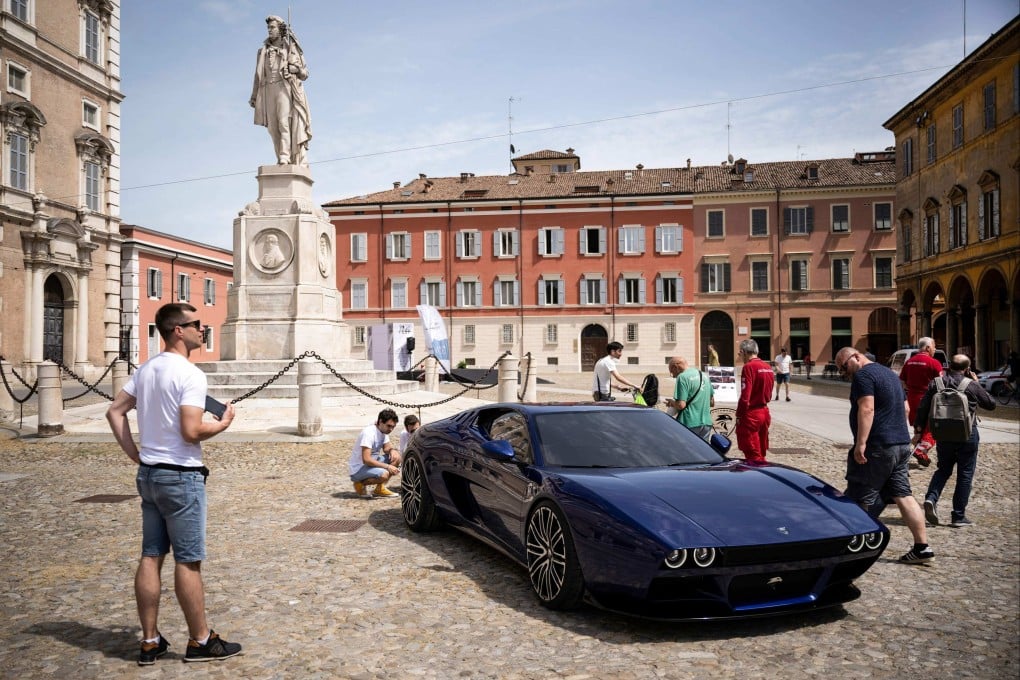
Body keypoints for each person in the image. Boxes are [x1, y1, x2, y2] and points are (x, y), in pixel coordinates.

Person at [106, 303, 243, 665]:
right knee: (188, 560)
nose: (203, 329)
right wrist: (224, 422)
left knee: (151, 555)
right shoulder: (190, 374)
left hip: (149, 475)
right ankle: (200, 640)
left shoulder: (147, 369)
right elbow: (191, 430)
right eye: (196, 324)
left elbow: (114, 411)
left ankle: (150, 640)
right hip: (180, 476)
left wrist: (136, 455)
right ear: (178, 331)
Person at [834, 347, 933, 564]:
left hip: (878, 446)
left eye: (844, 366)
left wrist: (861, 443)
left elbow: (867, 408)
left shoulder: (863, 375)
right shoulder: (890, 374)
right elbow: (906, 409)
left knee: (861, 496)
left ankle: (853, 549)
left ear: (856, 356)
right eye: (841, 370)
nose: (845, 372)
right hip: (900, 444)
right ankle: (922, 547)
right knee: (903, 495)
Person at [915, 355, 995, 528]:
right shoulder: (971, 385)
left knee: (943, 470)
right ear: (967, 368)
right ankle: (958, 516)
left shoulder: (936, 383)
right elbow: (991, 404)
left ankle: (931, 499)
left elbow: (923, 407)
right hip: (967, 434)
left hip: (943, 434)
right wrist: (976, 383)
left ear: (949, 365)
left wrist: (919, 429)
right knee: (965, 474)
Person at [250, 15, 312, 166]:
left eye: (272, 27)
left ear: (280, 29)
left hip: (284, 88)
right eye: (268, 28)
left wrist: (294, 68)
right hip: (267, 90)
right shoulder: (262, 51)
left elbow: (304, 73)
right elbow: (257, 76)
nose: (269, 30)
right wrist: (254, 95)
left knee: (284, 122)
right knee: (272, 127)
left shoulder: (290, 48)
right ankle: (280, 156)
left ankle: (285, 156)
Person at [900, 337, 943, 468]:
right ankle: (920, 451)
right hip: (928, 400)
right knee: (933, 429)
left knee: (918, 428)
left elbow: (902, 382)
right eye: (934, 347)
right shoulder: (934, 363)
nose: (935, 349)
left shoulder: (909, 362)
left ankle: (921, 456)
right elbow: (941, 384)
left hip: (912, 398)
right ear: (928, 348)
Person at [735, 339, 774, 461]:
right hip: (764, 411)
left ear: (744, 352)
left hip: (752, 414)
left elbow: (745, 396)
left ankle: (759, 477)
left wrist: (739, 415)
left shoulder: (749, 367)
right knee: (761, 450)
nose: (740, 356)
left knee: (752, 452)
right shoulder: (767, 367)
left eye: (740, 353)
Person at [349, 408, 402, 498]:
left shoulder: (383, 431)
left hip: (371, 464)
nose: (391, 429)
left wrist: (392, 450)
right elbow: (366, 460)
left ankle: (379, 489)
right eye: (389, 426)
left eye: (393, 427)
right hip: (359, 468)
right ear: (380, 421)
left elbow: (386, 448)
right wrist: (388, 466)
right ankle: (360, 483)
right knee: (384, 474)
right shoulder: (369, 433)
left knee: (396, 457)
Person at [665, 356, 715, 440]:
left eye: (671, 371)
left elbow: (681, 405)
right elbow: (712, 403)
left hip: (689, 422)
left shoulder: (682, 377)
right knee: (702, 451)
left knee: (687, 451)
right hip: (706, 423)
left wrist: (672, 403)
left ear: (675, 367)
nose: (673, 376)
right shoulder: (704, 375)